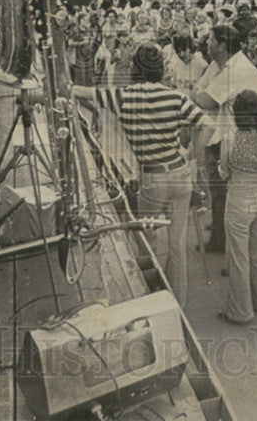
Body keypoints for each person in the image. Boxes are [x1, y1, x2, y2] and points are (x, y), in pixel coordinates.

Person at [72, 43, 206, 309]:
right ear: (160, 70)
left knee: (147, 237)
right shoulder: (175, 96)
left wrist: (89, 105)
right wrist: (193, 158)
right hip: (180, 173)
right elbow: (204, 124)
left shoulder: (123, 95)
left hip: (153, 177)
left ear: (135, 69)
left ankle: (153, 297)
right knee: (178, 245)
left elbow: (77, 90)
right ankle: (178, 303)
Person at [193, 24, 257, 253]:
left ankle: (222, 240)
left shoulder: (235, 70)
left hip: (235, 138)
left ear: (223, 45)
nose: (206, 44)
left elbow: (205, 99)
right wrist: (198, 91)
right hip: (229, 134)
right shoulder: (220, 64)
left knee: (222, 190)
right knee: (220, 190)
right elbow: (201, 87)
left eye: (211, 41)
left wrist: (194, 93)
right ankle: (221, 232)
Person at [217, 90, 257, 324]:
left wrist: (223, 168)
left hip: (239, 198)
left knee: (239, 257)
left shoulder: (229, 137)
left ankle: (240, 310)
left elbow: (224, 171)